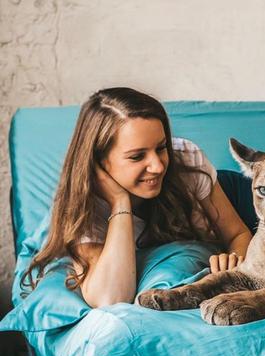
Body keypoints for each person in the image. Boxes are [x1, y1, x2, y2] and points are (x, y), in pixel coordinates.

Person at [23, 87, 253, 308]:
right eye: (136, 157)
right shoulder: (86, 202)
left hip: (237, 195)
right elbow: (109, 298)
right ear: (99, 162)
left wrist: (232, 259)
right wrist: (120, 202)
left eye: (162, 147)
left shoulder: (184, 157)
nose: (157, 166)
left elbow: (238, 233)